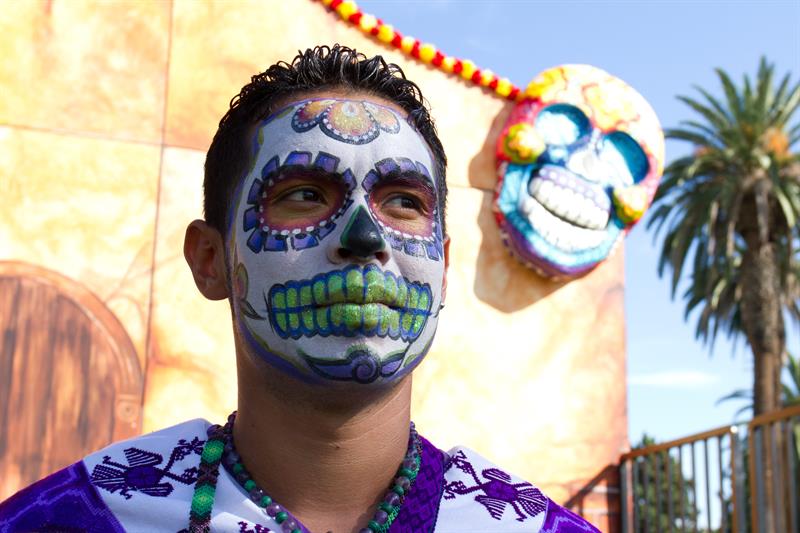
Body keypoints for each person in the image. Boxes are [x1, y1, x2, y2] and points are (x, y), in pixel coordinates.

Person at [0, 45, 599, 533]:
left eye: (402, 202)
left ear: (443, 267)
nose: (365, 237)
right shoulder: (66, 520)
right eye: (305, 194)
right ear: (209, 260)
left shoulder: (525, 526)